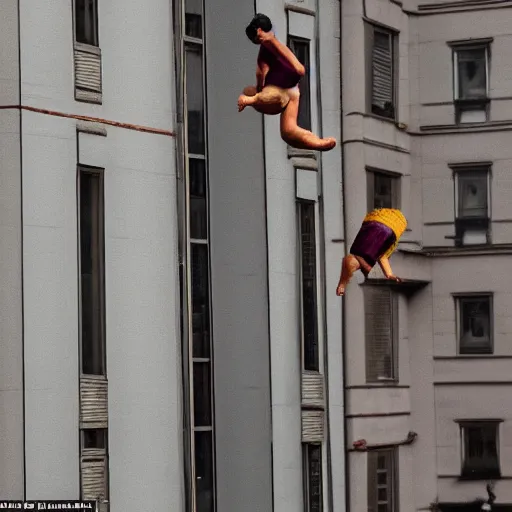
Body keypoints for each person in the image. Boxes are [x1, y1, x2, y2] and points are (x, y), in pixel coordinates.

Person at [239, 13, 336, 152]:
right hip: (292, 92)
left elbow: (298, 69)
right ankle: (317, 143)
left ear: (259, 31)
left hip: (281, 90)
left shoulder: (270, 44)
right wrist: (259, 86)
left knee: (258, 93)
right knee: (288, 132)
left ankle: (250, 99)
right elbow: (261, 72)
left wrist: (254, 97)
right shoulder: (267, 47)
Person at [336, 208, 407, 296]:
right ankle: (345, 282)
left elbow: (382, 256)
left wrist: (389, 274)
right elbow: (383, 256)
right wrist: (389, 274)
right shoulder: (392, 232)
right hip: (392, 229)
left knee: (357, 257)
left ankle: (344, 283)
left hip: (374, 220)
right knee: (357, 258)